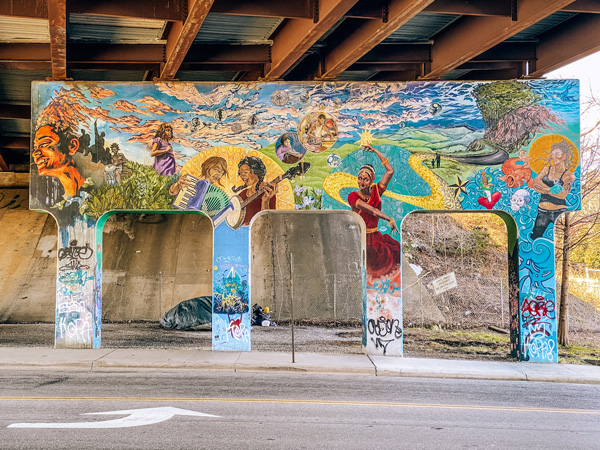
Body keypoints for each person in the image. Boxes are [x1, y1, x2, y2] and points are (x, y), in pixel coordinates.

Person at [347, 145, 400, 279]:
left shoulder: (377, 190)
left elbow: (390, 171)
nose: (361, 182)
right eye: (360, 178)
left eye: (365, 179)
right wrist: (389, 219)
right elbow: (373, 211)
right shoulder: (353, 197)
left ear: (371, 181)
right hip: (360, 237)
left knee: (393, 255)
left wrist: (376, 152)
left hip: (375, 237)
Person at [531, 139, 576, 240]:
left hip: (560, 212)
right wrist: (551, 190)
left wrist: (544, 189)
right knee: (535, 238)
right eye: (552, 154)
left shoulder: (568, 175)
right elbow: (535, 184)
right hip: (542, 211)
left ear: (564, 156)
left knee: (565, 241)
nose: (553, 156)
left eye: (557, 154)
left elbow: (563, 194)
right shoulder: (546, 169)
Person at [32, 124, 85, 197]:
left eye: (44, 144)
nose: (35, 153)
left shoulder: (93, 191)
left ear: (72, 146)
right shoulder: (50, 194)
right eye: (35, 148)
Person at [234, 156, 277, 226]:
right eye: (240, 173)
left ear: (256, 171)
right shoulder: (242, 195)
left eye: (245, 172)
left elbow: (268, 223)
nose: (242, 176)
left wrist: (265, 202)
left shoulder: (269, 192)